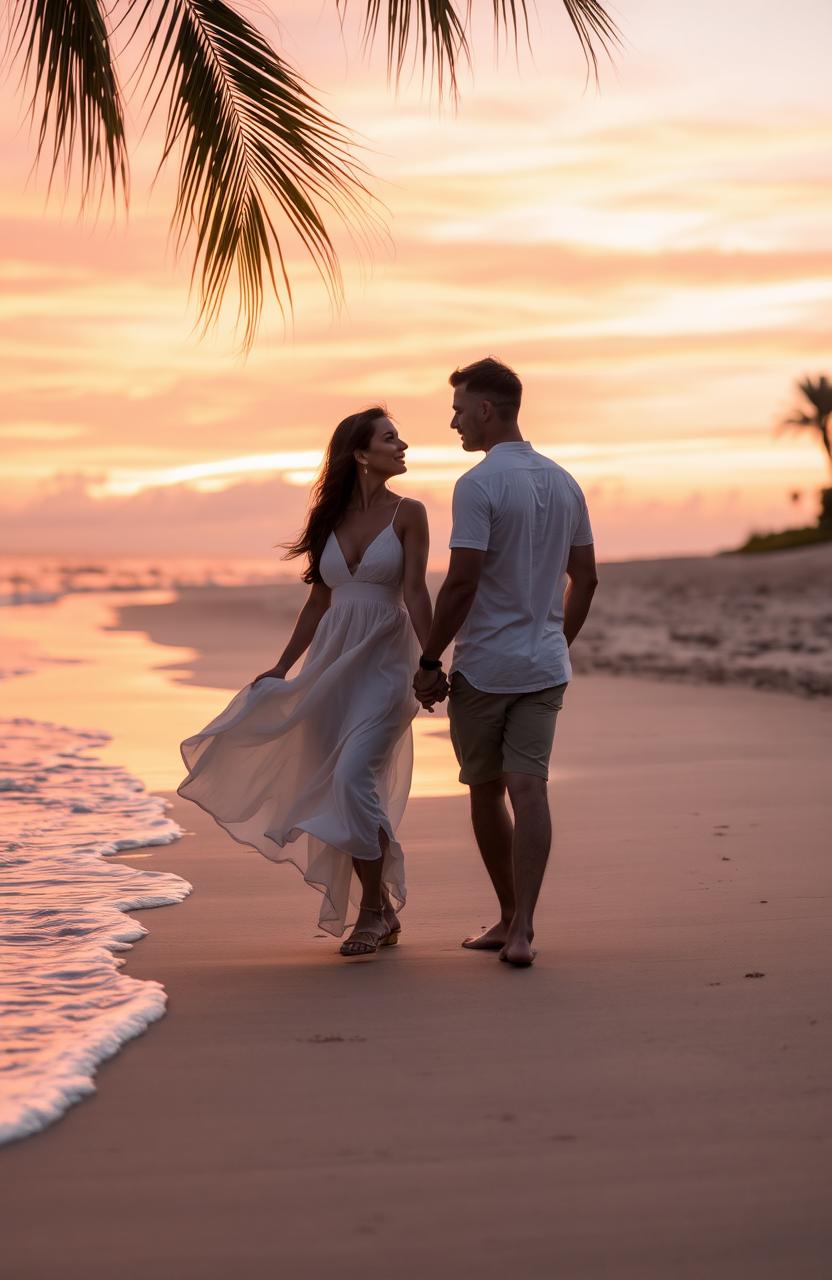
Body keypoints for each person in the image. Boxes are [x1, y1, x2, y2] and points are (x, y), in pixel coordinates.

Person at [179, 408, 431, 957]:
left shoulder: (410, 513)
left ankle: (369, 911)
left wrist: (431, 662)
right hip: (331, 667)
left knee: (350, 777)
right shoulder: (327, 519)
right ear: (361, 454)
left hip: (386, 662)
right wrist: (283, 667)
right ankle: (383, 908)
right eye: (391, 438)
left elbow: (415, 593)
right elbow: (318, 602)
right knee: (348, 787)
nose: (403, 444)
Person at [413, 358, 598, 967]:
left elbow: (461, 583)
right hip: (544, 665)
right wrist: (556, 641)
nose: (454, 422)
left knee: (487, 790)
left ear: (486, 411)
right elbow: (586, 579)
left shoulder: (479, 485)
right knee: (531, 787)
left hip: (487, 667)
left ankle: (508, 917)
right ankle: (522, 930)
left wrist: (430, 657)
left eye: (460, 409)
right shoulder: (565, 481)